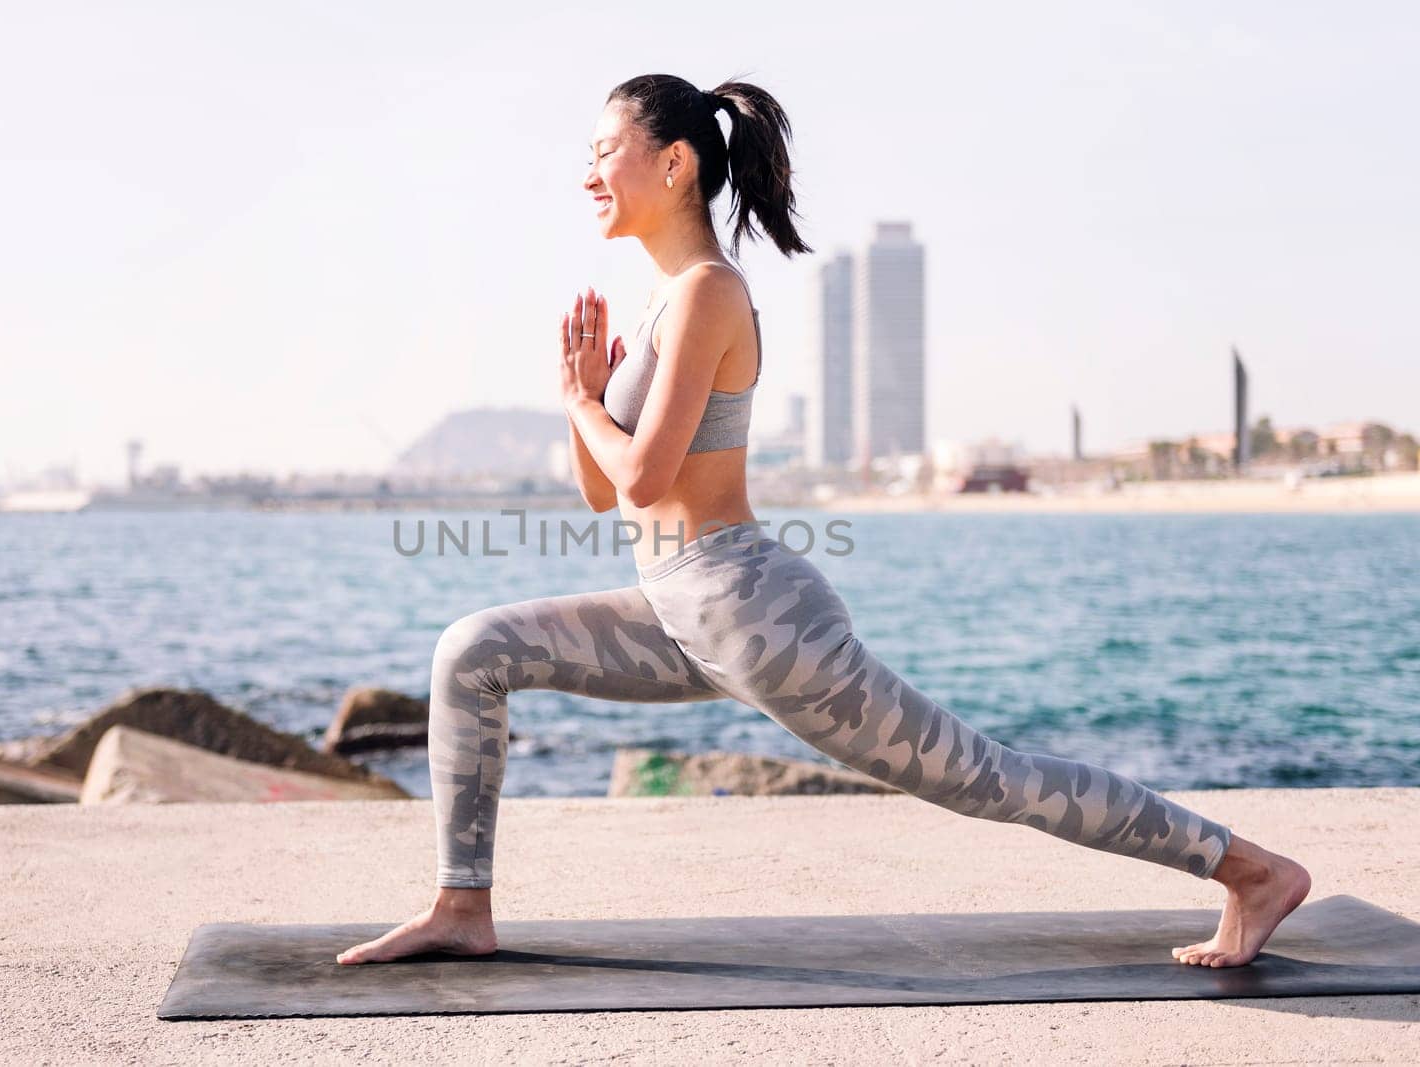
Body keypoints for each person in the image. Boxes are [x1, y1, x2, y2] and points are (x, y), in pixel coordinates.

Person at [338, 73, 1311, 969]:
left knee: (993, 779)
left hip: (757, 618)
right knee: (473, 648)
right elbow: (603, 493)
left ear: (673, 163)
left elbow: (640, 476)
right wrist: (583, 396)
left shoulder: (710, 293)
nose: (586, 169)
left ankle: (1250, 870)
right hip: (682, 610)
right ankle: (463, 904)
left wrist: (579, 396)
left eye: (602, 148)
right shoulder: (668, 298)